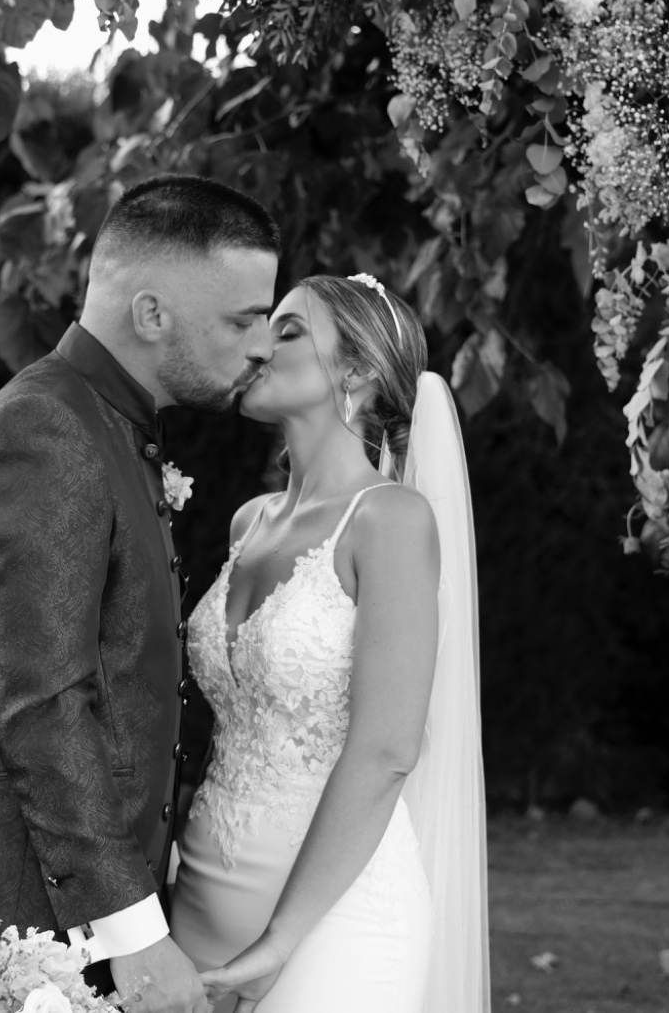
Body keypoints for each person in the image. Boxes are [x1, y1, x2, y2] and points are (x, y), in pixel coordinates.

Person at [0, 175, 280, 1013]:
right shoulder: (44, 436)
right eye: (243, 319)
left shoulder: (107, 423)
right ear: (152, 312)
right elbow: (43, 705)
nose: (261, 346)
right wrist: (135, 937)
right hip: (32, 920)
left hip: (83, 902)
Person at [169, 273, 490, 1012]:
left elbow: (386, 752)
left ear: (356, 372)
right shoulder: (249, 523)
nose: (259, 345)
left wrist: (280, 941)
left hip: (335, 916)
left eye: (288, 332)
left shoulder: (390, 522)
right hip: (203, 893)